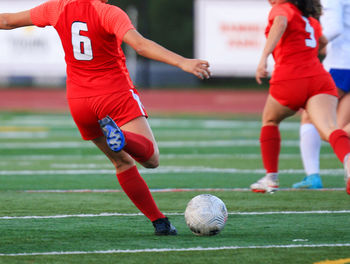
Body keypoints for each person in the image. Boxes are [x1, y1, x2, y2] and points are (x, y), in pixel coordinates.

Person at [0, 0, 211, 235]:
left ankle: (159, 222)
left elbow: (7, 21)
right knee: (151, 158)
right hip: (113, 94)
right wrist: (182, 61)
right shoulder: (108, 12)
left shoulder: (57, 8)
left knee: (121, 162)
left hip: (79, 102)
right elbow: (140, 45)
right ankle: (122, 137)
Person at [249, 0, 350, 195]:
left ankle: (271, 178)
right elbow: (320, 41)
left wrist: (263, 58)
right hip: (319, 78)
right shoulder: (310, 19)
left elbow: (279, 23)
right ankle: (348, 161)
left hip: (290, 78)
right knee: (330, 128)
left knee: (270, 120)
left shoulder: (282, 8)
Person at [293, 0, 350, 189]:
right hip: (343, 62)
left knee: (311, 118)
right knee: (340, 127)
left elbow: (334, 27)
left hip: (340, 64)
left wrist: (316, 44)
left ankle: (313, 176)